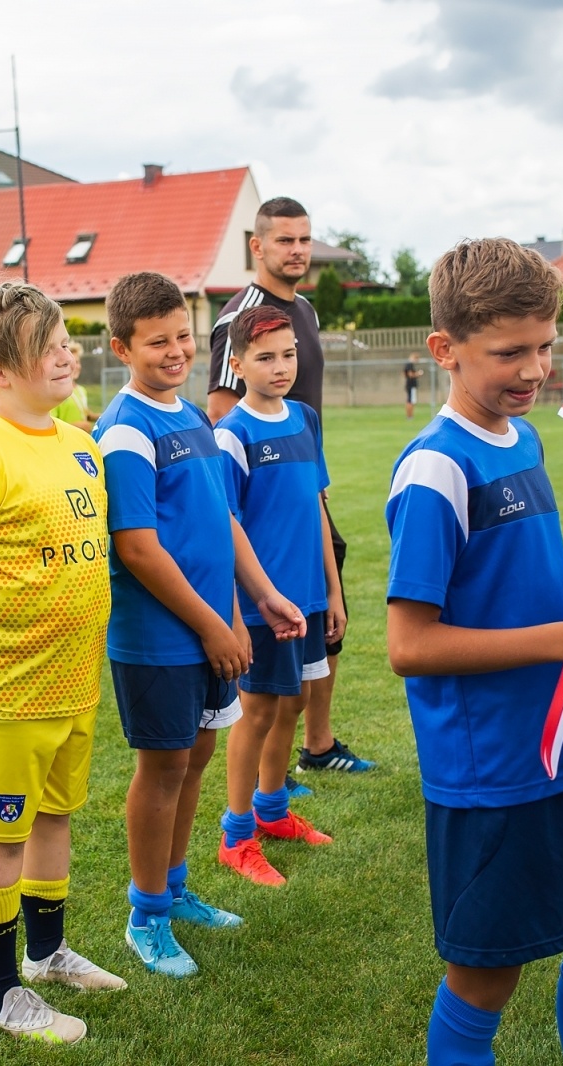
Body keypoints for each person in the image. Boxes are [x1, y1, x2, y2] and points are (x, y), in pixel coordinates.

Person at [387, 240, 563, 1066]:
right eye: (510, 351)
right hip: (494, 771)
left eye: (544, 346)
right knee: (486, 978)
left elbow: (510, 589)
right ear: (446, 349)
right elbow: (411, 644)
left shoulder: (524, 440)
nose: (535, 367)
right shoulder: (437, 468)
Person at [96, 273, 300, 973]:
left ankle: (174, 889)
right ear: (122, 347)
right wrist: (213, 627)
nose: (177, 351)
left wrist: (256, 601)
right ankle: (144, 915)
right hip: (158, 641)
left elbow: (223, 521)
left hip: (214, 629)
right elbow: (138, 548)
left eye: (184, 336)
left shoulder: (191, 416)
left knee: (199, 757)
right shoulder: (125, 431)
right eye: (158, 342)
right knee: (163, 768)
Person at [0, 282, 123, 1045]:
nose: (68, 351)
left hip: (75, 679)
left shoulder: (80, 443)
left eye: (65, 339)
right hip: (12, 690)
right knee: (3, 841)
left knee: (57, 819)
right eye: (48, 343)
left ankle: (49, 952)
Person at [208, 195, 372, 781]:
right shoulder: (241, 317)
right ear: (258, 246)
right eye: (285, 240)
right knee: (265, 696)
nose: (298, 250)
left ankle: (314, 749)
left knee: (323, 631)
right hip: (265, 526)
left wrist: (316, 501)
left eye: (305, 239)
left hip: (308, 494)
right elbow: (226, 418)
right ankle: (255, 803)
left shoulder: (304, 310)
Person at [214, 304, 341, 887]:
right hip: (263, 604)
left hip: (309, 598)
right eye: (265, 357)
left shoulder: (305, 420)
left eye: (288, 354)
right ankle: (236, 836)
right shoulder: (231, 435)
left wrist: (332, 593)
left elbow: (315, 506)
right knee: (259, 709)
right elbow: (227, 528)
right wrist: (246, 606)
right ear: (237, 364)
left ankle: (272, 811)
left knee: (293, 703)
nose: (280, 366)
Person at [51, 340, 99, 432]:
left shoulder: (81, 390)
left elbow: (86, 413)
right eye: (72, 362)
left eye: (78, 362)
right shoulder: (55, 392)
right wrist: (78, 426)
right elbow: (50, 424)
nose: (76, 366)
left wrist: (103, 416)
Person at [404, 354, 424, 419]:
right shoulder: (409, 365)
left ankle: (410, 416)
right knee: (410, 401)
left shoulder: (408, 365)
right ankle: (410, 416)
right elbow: (410, 375)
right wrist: (418, 374)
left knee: (410, 400)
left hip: (409, 385)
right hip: (411, 385)